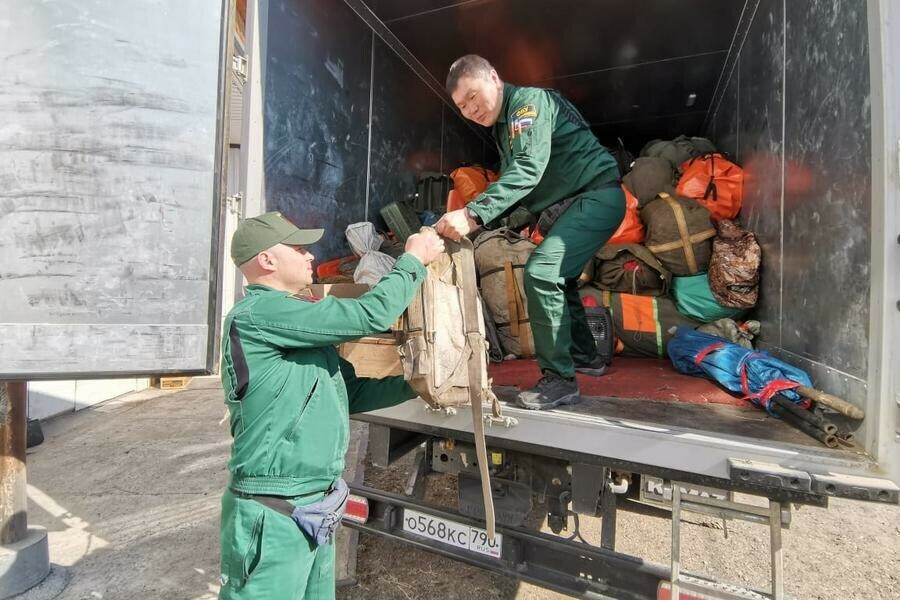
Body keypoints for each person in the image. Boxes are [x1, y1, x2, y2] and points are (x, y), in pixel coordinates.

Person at [218, 211, 444, 599]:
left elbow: (352, 392)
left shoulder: (298, 324)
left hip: (314, 508)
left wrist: (422, 384)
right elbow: (368, 314)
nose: (311, 256)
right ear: (267, 261)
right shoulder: (259, 314)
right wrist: (412, 261)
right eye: (299, 249)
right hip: (273, 513)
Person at [435, 54, 625, 411]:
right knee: (562, 278)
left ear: (493, 76)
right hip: (576, 203)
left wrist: (473, 213)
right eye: (462, 106)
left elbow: (527, 170)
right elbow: (520, 193)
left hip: (597, 196)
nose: (471, 108)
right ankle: (588, 357)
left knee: (541, 271)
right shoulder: (504, 129)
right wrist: (480, 228)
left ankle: (559, 380)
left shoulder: (527, 106)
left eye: (473, 95)